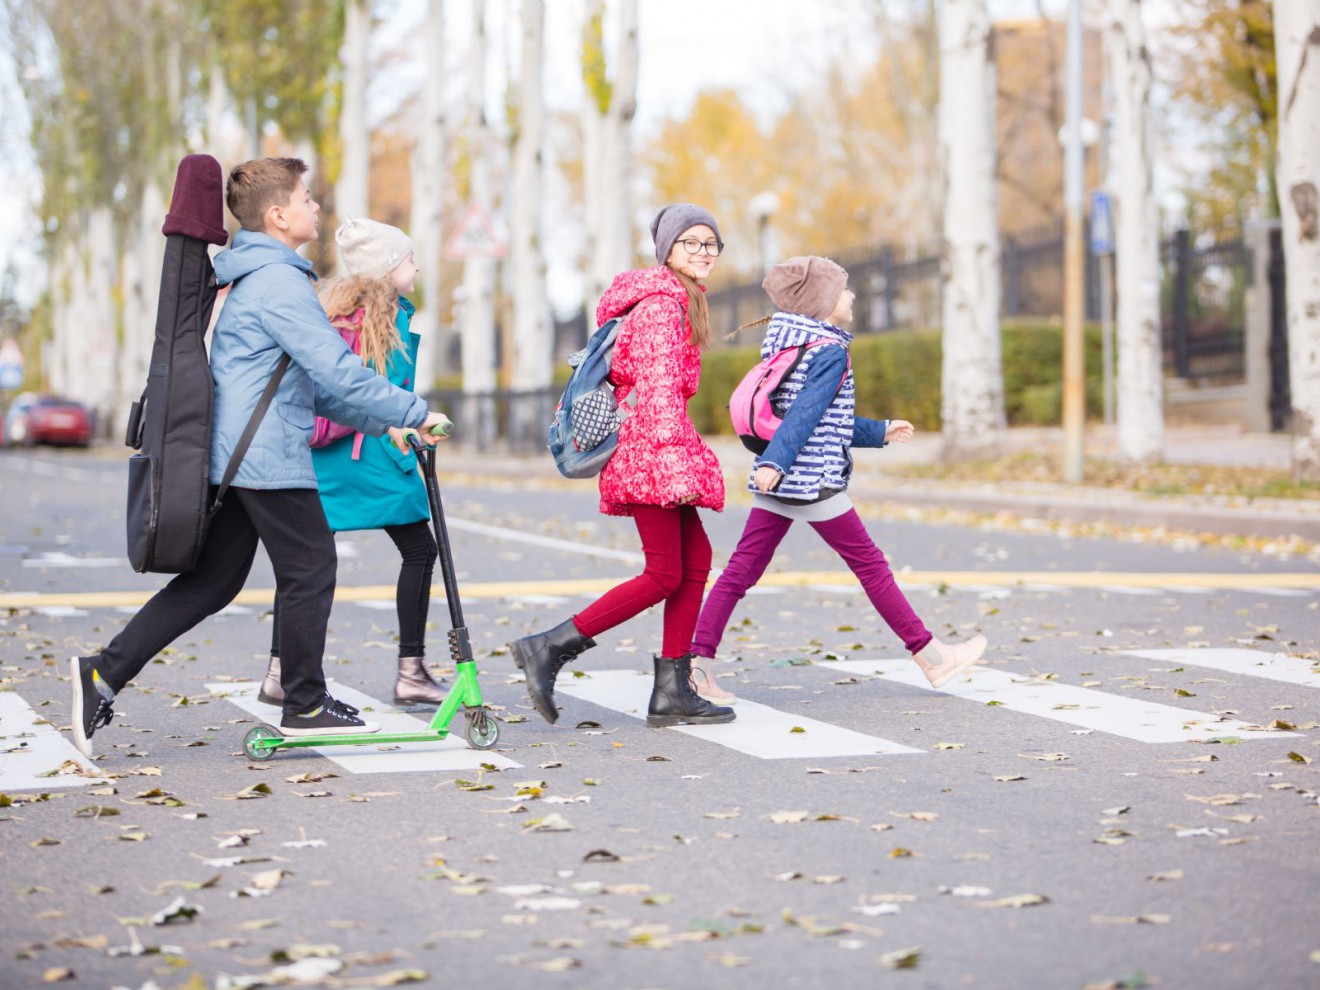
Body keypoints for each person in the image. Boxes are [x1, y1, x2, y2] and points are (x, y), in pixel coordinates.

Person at [69, 157, 451, 758]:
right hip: (265, 454)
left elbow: (317, 387)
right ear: (278, 215)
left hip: (242, 452)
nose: (315, 207)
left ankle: (102, 672)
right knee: (311, 566)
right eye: (306, 198)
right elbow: (337, 369)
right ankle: (303, 702)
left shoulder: (263, 277)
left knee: (210, 584)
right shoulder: (277, 284)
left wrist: (389, 425)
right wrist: (414, 410)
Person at [688, 256, 986, 699]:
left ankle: (695, 667)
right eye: (843, 290)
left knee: (738, 574)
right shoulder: (829, 350)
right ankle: (933, 657)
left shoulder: (791, 344)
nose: (851, 296)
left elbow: (822, 416)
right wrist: (779, 462)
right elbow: (806, 416)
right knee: (872, 567)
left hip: (782, 477)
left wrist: (879, 432)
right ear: (823, 302)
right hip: (812, 478)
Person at [511, 204, 735, 729]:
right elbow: (657, 391)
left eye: (711, 244)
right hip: (651, 452)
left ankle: (672, 689)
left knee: (693, 559)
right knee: (663, 573)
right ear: (668, 250)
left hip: (652, 447)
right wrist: (676, 467)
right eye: (691, 243)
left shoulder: (677, 299)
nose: (703, 253)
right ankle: (549, 647)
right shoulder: (661, 306)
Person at [258, 217, 446, 709]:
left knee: (304, 566)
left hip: (330, 460)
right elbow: (370, 390)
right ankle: (411, 671)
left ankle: (279, 670)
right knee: (420, 552)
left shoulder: (337, 311)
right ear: (387, 268)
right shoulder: (380, 319)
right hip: (372, 454)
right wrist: (410, 422)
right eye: (409, 259)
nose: (417, 266)